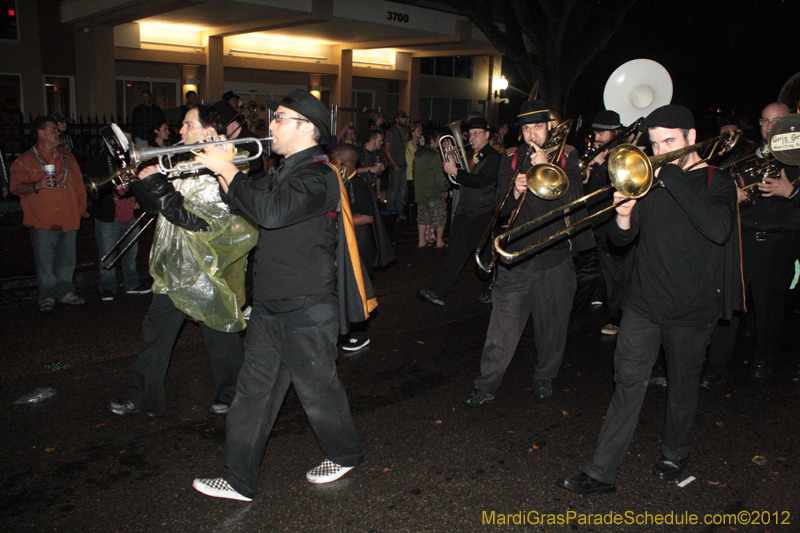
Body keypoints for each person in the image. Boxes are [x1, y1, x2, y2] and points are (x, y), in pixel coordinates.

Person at [192, 89, 369, 502]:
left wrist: (230, 172)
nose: (271, 124)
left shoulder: (320, 174)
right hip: (272, 304)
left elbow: (271, 212)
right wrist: (223, 169)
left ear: (307, 127)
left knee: (318, 392)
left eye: (281, 118)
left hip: (307, 305)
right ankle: (239, 479)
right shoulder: (283, 170)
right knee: (251, 394)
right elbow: (248, 205)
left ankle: (345, 454)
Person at [557, 104, 742, 495]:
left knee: (682, 384)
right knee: (626, 382)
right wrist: (624, 217)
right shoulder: (649, 180)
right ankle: (601, 471)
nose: (660, 151)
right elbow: (621, 242)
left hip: (691, 308)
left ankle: (676, 452)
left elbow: (720, 230)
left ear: (691, 138)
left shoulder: (716, 181)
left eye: (669, 142)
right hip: (643, 304)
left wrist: (672, 176)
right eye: (655, 143)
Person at [107, 104, 258, 418]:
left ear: (210, 132)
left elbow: (199, 220)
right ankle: (143, 397)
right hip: (175, 266)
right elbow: (161, 207)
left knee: (220, 333)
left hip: (207, 268)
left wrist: (158, 185)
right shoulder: (185, 162)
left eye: (188, 125)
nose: (180, 131)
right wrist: (139, 180)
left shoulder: (227, 165)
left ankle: (235, 394)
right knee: (156, 333)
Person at [462, 101, 583, 406]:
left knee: (551, 327)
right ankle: (486, 385)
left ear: (549, 128)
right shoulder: (511, 158)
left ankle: (544, 377)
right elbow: (498, 210)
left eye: (538, 128)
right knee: (502, 326)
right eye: (527, 129)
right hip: (516, 256)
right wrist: (514, 192)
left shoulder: (568, 156)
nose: (532, 135)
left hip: (554, 255)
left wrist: (551, 169)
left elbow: (578, 202)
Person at [702, 102, 800, 388]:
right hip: (742, 241)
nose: (770, 127)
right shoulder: (747, 153)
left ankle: (763, 360)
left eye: (777, 121)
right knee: (729, 306)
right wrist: (733, 193)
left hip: (779, 244)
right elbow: (723, 187)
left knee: (769, 310)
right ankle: (716, 367)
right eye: (765, 121)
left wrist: (790, 192)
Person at [418, 117, 501, 306]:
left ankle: (491, 289)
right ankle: (438, 293)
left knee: (486, 257)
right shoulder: (469, 153)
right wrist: (449, 158)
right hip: (465, 212)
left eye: (477, 133)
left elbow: (480, 181)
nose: (472, 137)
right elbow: (458, 180)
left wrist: (456, 171)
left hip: (483, 214)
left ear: (487, 135)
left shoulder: (495, 157)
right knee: (454, 255)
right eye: (470, 134)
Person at [10, 116, 88, 312]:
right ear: (41, 133)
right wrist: (37, 185)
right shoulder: (25, 160)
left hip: (69, 217)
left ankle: (65, 292)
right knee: (45, 262)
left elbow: (79, 185)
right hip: (42, 220)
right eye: (53, 129)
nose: (58, 133)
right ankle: (46, 296)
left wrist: (81, 209)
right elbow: (15, 187)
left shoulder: (66, 157)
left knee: (67, 260)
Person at [330, 143, 395, 352]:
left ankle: (360, 335)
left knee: (357, 294)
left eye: (334, 161)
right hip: (351, 245)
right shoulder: (343, 181)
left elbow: (367, 216)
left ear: (346, 164)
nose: (331, 164)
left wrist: (338, 221)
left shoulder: (356, 184)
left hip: (360, 246)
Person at [89, 125, 150, 300]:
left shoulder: (134, 159)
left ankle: (132, 283)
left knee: (131, 253)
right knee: (107, 254)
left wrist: (141, 197)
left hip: (131, 213)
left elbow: (143, 183)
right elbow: (96, 187)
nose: (125, 144)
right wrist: (116, 180)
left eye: (128, 140)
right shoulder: (102, 160)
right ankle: (107, 286)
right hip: (109, 214)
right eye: (122, 139)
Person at [413, 129, 449, 249]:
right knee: (439, 216)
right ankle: (439, 241)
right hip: (433, 192)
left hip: (420, 192)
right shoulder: (434, 155)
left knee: (422, 217)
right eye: (438, 139)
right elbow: (438, 176)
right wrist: (445, 188)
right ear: (433, 141)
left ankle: (422, 241)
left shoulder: (418, 153)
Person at [384, 110, 410, 213]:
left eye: (404, 118)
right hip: (396, 164)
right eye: (402, 118)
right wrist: (394, 164)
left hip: (404, 163)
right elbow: (387, 149)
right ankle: (391, 211)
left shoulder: (405, 131)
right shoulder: (391, 132)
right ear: (396, 119)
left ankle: (398, 212)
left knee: (402, 191)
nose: (404, 120)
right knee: (394, 190)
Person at [402, 121, 423, 222]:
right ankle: (410, 217)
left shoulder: (418, 144)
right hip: (412, 175)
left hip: (418, 174)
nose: (420, 132)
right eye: (418, 131)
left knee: (416, 196)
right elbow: (412, 160)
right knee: (412, 196)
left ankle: (415, 216)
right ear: (412, 132)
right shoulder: (410, 146)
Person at [357, 129, 386, 201]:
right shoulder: (358, 152)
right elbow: (352, 170)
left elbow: (379, 175)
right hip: (359, 190)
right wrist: (369, 169)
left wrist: (380, 170)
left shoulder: (378, 154)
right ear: (372, 140)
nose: (382, 142)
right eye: (379, 140)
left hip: (371, 191)